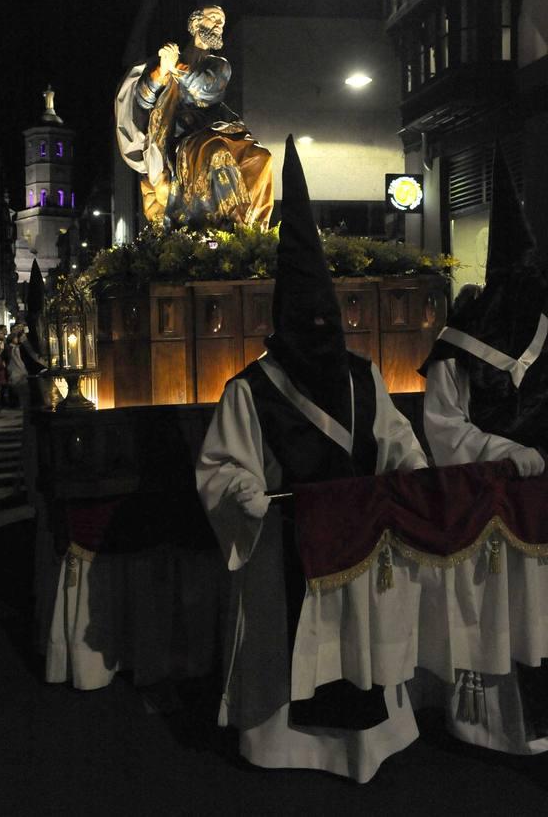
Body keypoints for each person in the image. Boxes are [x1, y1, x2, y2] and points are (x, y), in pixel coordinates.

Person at [196, 136, 427, 783]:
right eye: (310, 318)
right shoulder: (250, 388)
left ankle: (363, 744)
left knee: (358, 646)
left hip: (358, 544)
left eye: (330, 316)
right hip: (282, 548)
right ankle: (283, 743)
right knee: (295, 643)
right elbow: (222, 468)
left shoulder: (362, 377)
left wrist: (408, 482)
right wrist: (245, 496)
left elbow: (397, 445)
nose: (322, 328)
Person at [421, 142, 548, 753]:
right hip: (487, 509)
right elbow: (443, 425)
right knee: (495, 614)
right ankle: (492, 725)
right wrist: (502, 451)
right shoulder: (461, 343)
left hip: (544, 507)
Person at [115, 5, 273, 231]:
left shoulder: (219, 65)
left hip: (216, 128)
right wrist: (161, 71)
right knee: (216, 151)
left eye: (222, 21)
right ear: (196, 24)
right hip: (181, 137)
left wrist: (174, 67)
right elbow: (144, 100)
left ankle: (254, 231)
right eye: (214, 18)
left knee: (261, 157)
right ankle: (221, 225)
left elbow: (205, 89)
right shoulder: (165, 61)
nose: (219, 24)